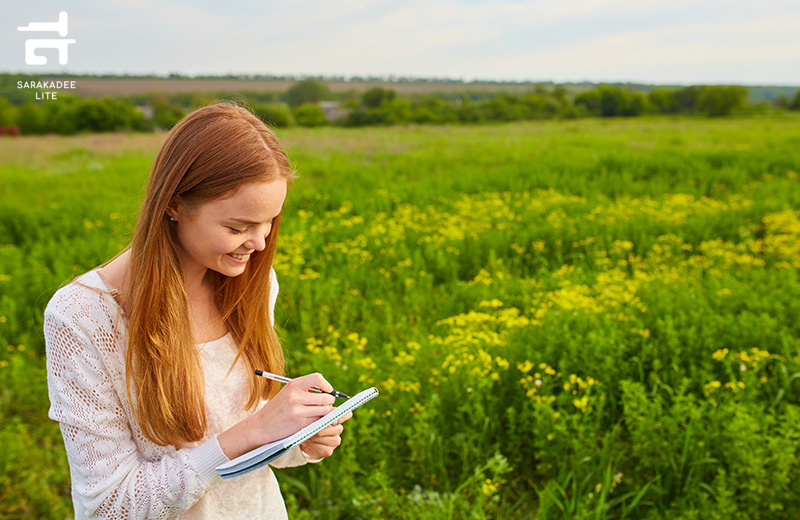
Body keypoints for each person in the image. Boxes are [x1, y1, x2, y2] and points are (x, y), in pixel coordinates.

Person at [43, 103, 349, 519]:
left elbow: (242, 423)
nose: (258, 245)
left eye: (269, 223)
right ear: (172, 205)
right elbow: (108, 507)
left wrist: (295, 437)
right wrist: (250, 433)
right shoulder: (82, 316)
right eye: (238, 227)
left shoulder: (252, 282)